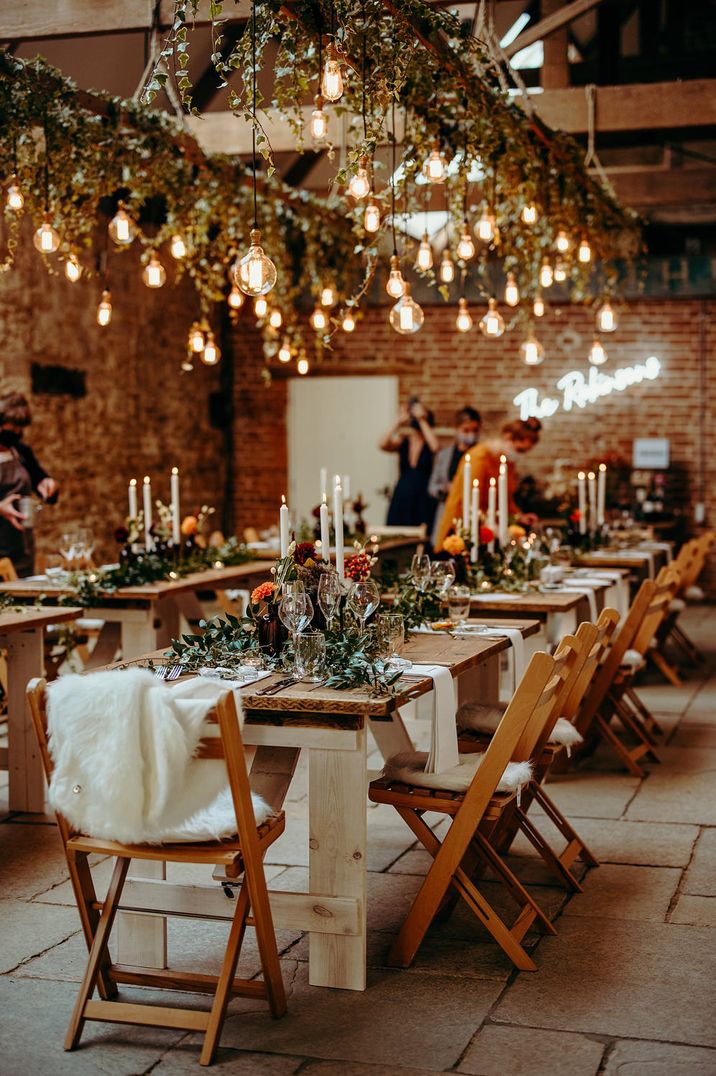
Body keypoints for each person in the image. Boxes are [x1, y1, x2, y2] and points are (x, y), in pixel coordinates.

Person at [435, 416, 542, 549]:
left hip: (491, 532)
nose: (520, 455)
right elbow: (469, 502)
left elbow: (504, 500)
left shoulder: (507, 462)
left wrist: (519, 516)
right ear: (508, 438)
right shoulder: (479, 458)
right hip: (463, 531)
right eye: (520, 450)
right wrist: (491, 525)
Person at [0, 393, 59, 576]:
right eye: (14, 426)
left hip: (20, 547)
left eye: (20, 427)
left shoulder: (21, 452)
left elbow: (40, 479)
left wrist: (48, 485)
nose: (18, 432)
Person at [380, 398, 439, 529]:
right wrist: (398, 421)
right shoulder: (404, 441)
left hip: (423, 494)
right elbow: (382, 444)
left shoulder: (428, 441)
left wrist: (421, 419)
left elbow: (435, 447)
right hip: (403, 491)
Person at [428, 406, 481, 545]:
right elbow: (432, 486)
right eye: (466, 430)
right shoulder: (444, 455)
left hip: (472, 516)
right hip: (447, 514)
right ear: (457, 429)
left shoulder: (480, 456)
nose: (471, 434)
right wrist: (445, 489)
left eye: (474, 430)